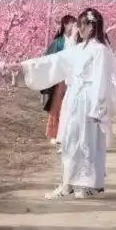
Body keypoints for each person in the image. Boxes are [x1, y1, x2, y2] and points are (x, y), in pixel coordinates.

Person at [17, 8, 116, 198]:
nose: (78, 29)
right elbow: (55, 61)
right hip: (75, 98)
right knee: (71, 140)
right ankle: (68, 182)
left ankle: (86, 184)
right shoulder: (79, 49)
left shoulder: (100, 50)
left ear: (91, 26)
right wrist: (25, 67)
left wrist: (98, 108)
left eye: (81, 25)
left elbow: (101, 80)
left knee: (87, 142)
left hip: (89, 100)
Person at [42, 15, 78, 146]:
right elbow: (48, 58)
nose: (74, 27)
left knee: (72, 106)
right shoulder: (58, 42)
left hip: (74, 78)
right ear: (65, 25)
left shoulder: (77, 42)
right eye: (71, 24)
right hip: (60, 79)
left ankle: (69, 133)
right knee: (57, 105)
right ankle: (54, 133)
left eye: (75, 24)